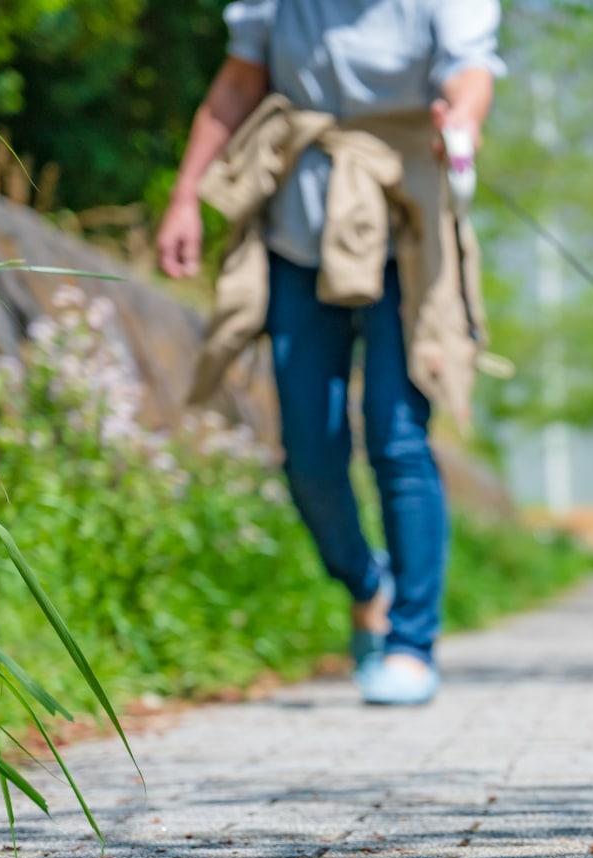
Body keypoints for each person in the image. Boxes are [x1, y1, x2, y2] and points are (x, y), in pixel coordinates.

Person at [157, 1, 503, 706]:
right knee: (308, 450)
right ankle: (366, 582)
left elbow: (471, 73)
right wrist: (187, 194)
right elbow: (236, 85)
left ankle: (411, 641)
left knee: (396, 431)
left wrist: (461, 121)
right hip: (298, 221)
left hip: (403, 217)